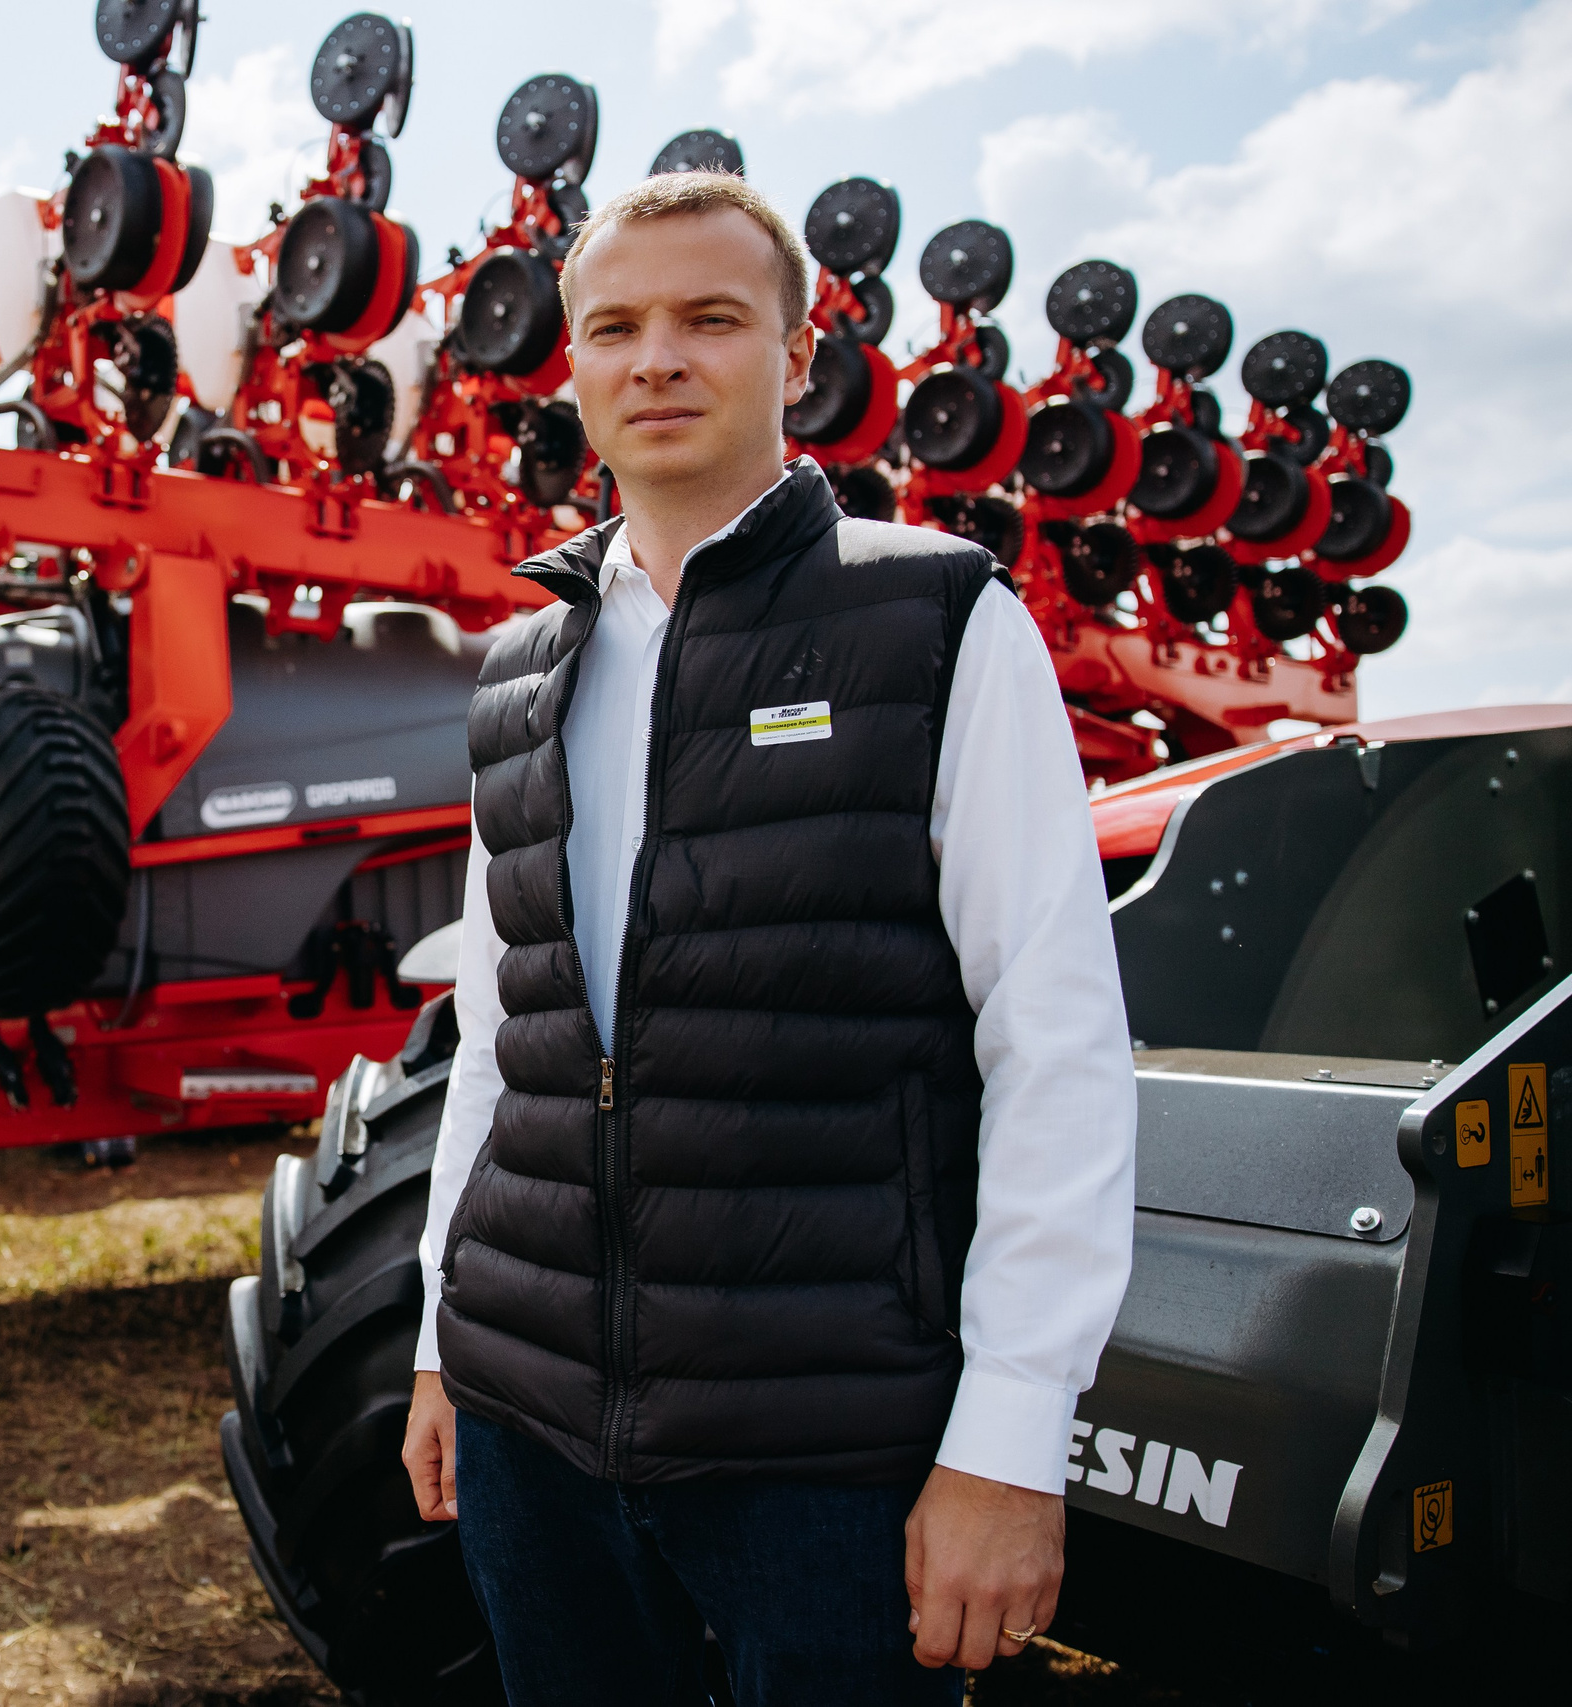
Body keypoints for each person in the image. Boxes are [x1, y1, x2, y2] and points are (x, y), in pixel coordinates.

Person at [398, 172, 1136, 1705]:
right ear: (575, 368)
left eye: (709, 318)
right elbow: (505, 1040)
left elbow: (1055, 1043)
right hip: (531, 1431)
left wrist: (1008, 1433)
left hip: (830, 1454)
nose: (656, 357)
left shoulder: (938, 623)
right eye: (615, 326)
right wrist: (441, 1337)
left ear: (798, 356)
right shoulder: (520, 670)